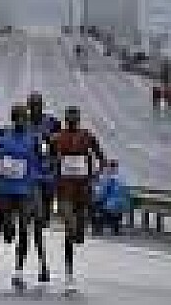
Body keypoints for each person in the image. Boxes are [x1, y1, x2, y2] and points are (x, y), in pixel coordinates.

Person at [0, 104, 49, 291]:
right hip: (4, 188)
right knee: (8, 233)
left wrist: (42, 173)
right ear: (13, 119)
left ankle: (18, 271)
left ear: (27, 120)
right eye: (18, 118)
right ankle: (6, 226)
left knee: (24, 228)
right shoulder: (2, 134)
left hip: (26, 189)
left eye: (23, 119)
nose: (21, 122)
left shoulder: (35, 139)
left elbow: (44, 159)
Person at [49, 105, 105, 294]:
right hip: (64, 191)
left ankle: (76, 238)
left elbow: (101, 157)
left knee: (78, 235)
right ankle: (69, 272)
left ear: (79, 120)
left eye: (75, 119)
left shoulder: (88, 137)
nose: (72, 122)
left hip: (83, 191)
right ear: (66, 120)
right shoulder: (57, 138)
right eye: (69, 119)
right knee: (69, 228)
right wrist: (53, 169)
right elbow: (47, 159)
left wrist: (96, 174)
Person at [26, 92, 61, 227]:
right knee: (33, 196)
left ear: (42, 106)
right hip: (30, 167)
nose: (35, 108)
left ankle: (45, 216)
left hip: (48, 166)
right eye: (32, 105)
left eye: (38, 105)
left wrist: (52, 141)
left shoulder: (52, 122)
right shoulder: (24, 122)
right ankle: (32, 215)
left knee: (48, 194)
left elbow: (60, 140)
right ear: (28, 107)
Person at [92, 160, 129, 237]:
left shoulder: (106, 177)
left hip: (109, 202)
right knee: (114, 210)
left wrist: (98, 197)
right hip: (117, 202)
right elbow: (123, 191)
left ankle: (98, 229)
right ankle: (115, 229)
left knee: (98, 207)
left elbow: (102, 191)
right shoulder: (120, 177)